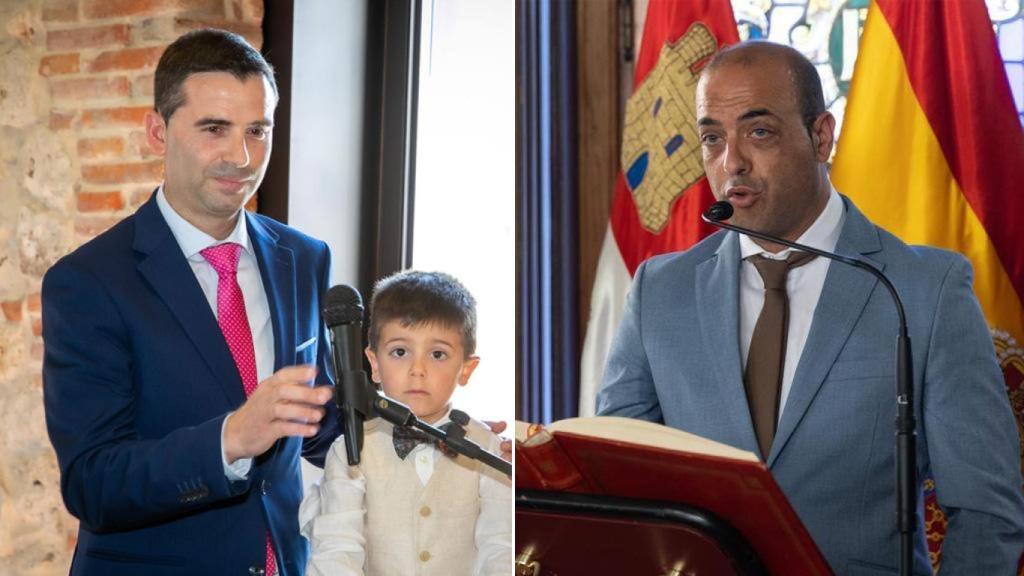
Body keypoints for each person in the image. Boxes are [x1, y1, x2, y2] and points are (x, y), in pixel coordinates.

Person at [596, 41, 1024, 575]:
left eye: (759, 132)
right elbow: (615, 492)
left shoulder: (924, 289)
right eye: (711, 138)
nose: (732, 163)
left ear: (821, 137)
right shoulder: (661, 290)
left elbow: (985, 513)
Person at [300, 270, 513, 576]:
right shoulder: (350, 449)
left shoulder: (488, 449)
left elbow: (500, 547)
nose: (417, 369)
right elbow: (337, 550)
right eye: (400, 352)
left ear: (466, 368)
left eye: (438, 354)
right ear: (373, 364)